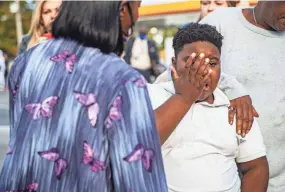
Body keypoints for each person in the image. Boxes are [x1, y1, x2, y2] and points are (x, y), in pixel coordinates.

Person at [0, 1, 167, 191]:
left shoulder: (24, 63)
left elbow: (18, 147)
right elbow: (139, 179)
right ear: (122, 9)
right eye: (137, 6)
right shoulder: (123, 80)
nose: (137, 16)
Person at [155, 1, 285, 191]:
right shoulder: (222, 21)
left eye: (213, 64)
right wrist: (234, 89)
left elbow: (256, 167)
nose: (203, 71)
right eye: (196, 63)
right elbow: (192, 48)